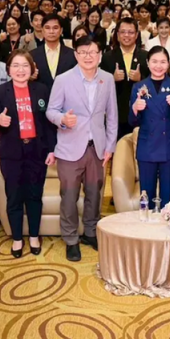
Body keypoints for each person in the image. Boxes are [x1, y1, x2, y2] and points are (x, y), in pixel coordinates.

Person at [47, 36, 118, 262]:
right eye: (83, 52)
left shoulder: (107, 79)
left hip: (96, 148)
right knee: (69, 196)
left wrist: (110, 146)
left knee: (95, 193)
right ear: (76, 55)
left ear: (100, 55)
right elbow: (51, 110)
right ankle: (70, 239)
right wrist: (62, 119)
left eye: (93, 52)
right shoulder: (63, 79)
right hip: (70, 148)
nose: (88, 56)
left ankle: (90, 232)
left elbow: (112, 115)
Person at [0, 50, 56, 258]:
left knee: (35, 196)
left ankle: (34, 236)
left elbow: (48, 123)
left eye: (25, 65)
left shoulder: (42, 89)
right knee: (14, 198)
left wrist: (52, 149)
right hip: (11, 153)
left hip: (37, 151)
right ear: (8, 69)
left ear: (32, 69)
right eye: (16, 65)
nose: (20, 70)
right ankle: (17, 239)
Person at [128, 46, 170, 207]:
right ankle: (147, 223)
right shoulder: (139, 87)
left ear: (168, 64)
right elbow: (132, 122)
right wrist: (135, 109)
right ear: (147, 63)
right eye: (154, 61)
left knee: (169, 198)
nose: (158, 66)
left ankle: (168, 223)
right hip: (147, 147)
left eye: (163, 62)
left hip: (169, 147)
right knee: (146, 197)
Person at [99, 18, 149, 138]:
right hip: (116, 113)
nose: (126, 35)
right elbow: (99, 85)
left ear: (136, 35)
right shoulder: (107, 57)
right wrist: (112, 79)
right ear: (117, 35)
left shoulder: (146, 56)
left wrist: (141, 79)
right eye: (123, 32)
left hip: (142, 113)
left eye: (131, 32)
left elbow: (154, 83)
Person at [30, 14, 76, 90]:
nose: (51, 31)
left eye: (55, 28)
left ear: (61, 30)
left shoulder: (73, 55)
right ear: (42, 30)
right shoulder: (32, 55)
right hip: (41, 96)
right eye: (47, 28)